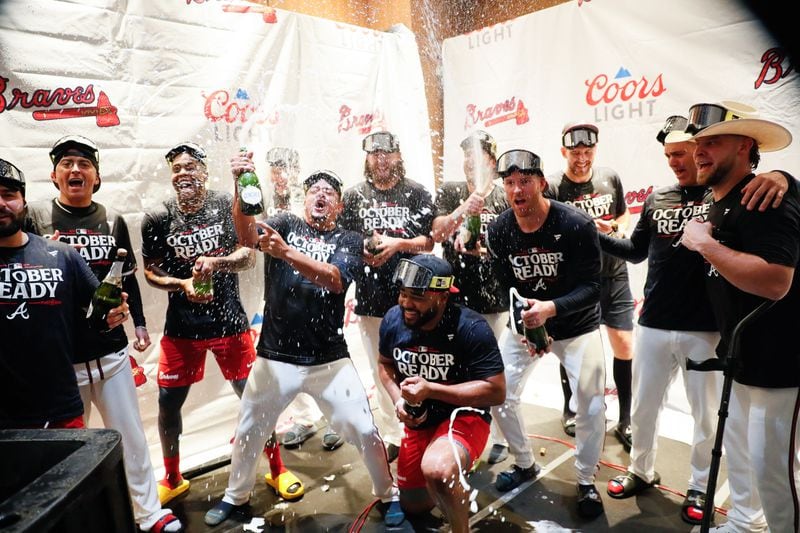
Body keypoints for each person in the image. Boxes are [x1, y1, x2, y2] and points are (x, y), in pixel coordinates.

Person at [600, 116, 790, 526]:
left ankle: (701, 487)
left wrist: (783, 176)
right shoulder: (658, 198)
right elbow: (634, 252)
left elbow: (768, 209)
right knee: (645, 408)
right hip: (652, 322)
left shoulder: (727, 192)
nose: (676, 161)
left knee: (707, 419)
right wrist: (590, 231)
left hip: (707, 329)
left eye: (683, 152)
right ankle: (640, 469)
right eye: (668, 155)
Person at [205, 163, 403, 527]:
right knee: (250, 429)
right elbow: (247, 234)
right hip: (275, 357)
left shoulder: (349, 240)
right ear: (304, 199)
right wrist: (238, 184)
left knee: (362, 428)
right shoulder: (284, 223)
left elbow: (334, 280)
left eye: (330, 191)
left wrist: (285, 253)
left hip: (329, 360)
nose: (321, 194)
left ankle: (389, 495)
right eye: (315, 189)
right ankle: (236, 496)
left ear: (339, 206)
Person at [24, 136, 182, 533]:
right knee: (70, 451)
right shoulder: (37, 219)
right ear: (54, 174)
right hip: (64, 358)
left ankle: (149, 514)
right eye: (66, 164)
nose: (75, 170)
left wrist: (140, 324)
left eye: (83, 164)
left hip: (111, 353)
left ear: (96, 176)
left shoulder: (112, 220)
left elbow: (126, 276)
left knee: (130, 436)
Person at [141, 142, 302, 505]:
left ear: (204, 172)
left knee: (255, 399)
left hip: (229, 322)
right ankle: (172, 476)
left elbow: (248, 255)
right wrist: (181, 284)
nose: (184, 173)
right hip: (181, 327)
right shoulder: (157, 216)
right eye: (177, 169)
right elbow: (151, 271)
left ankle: (277, 470)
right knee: (168, 404)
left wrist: (217, 264)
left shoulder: (224, 206)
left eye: (190, 167)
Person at [680, 102, 799, 533]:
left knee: (777, 475)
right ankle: (748, 523)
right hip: (743, 359)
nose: (699, 151)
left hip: (778, 366)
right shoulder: (721, 200)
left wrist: (704, 245)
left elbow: (775, 282)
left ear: (745, 145)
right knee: (752, 462)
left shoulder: (765, 197)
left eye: (712, 142)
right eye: (697, 143)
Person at [486, 149, 607, 518]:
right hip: (527, 323)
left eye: (524, 181)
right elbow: (508, 287)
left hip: (576, 324)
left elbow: (592, 287)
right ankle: (524, 462)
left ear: (541, 183)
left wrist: (551, 310)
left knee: (591, 402)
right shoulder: (499, 229)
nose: (517, 190)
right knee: (499, 393)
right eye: (509, 183)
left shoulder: (576, 224)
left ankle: (585, 481)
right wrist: (524, 326)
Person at [377, 254, 506, 533]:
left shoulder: (471, 327)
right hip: (421, 419)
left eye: (417, 297)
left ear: (444, 297)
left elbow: (496, 392)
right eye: (402, 294)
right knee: (414, 504)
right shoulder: (392, 319)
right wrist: (398, 399)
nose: (406, 304)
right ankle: (453, 467)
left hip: (464, 415)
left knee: (438, 471)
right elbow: (384, 364)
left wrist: (432, 389)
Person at [0, 157, 127, 431]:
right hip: (5, 420)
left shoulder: (62, 255)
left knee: (75, 474)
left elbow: (102, 312)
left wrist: (119, 313)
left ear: (23, 201)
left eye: (8, 195)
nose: (1, 204)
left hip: (61, 409)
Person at [340, 131, 435, 462]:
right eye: (374, 154)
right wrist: (362, 250)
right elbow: (343, 240)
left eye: (387, 153)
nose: (381, 159)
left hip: (415, 298)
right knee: (381, 370)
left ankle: (425, 424)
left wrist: (397, 244)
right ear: (367, 158)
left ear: (398, 155)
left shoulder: (417, 192)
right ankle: (394, 433)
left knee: (419, 366)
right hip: (371, 300)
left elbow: (428, 242)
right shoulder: (352, 197)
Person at [547, 122, 634, 448]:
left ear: (594, 150)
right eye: (575, 153)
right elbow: (547, 232)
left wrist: (617, 229)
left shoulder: (609, 177)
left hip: (615, 275)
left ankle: (625, 419)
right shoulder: (553, 186)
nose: (581, 159)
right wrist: (582, 231)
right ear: (563, 152)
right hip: (577, 280)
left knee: (624, 345)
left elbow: (623, 216)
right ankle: (571, 410)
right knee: (572, 347)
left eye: (587, 152)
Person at [430, 130, 510, 464]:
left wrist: (487, 250)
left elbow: (512, 243)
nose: (470, 162)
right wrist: (467, 206)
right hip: (455, 297)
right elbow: (437, 232)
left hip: (494, 299)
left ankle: (502, 436)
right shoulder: (450, 191)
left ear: (491, 162)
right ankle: (460, 429)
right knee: (458, 367)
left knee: (493, 370)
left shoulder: (506, 195)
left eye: (477, 156)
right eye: (465, 156)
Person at [263, 147, 340, 451]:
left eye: (287, 167)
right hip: (281, 292)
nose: (281, 173)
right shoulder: (264, 198)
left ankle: (337, 419)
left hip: (318, 294)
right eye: (276, 168)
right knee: (290, 361)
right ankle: (305, 419)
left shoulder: (309, 199)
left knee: (329, 360)